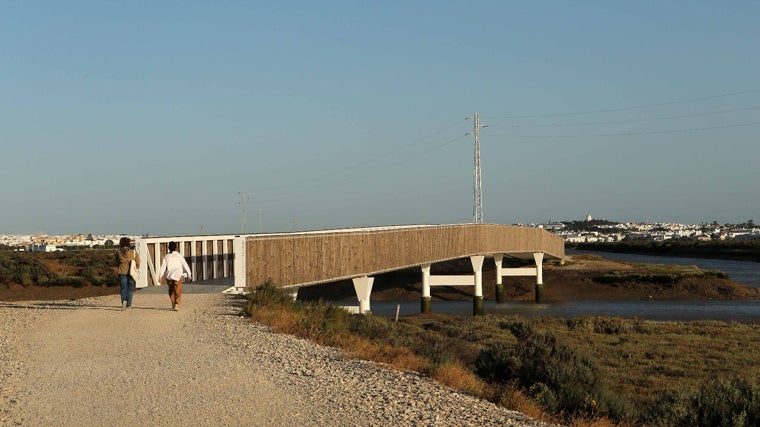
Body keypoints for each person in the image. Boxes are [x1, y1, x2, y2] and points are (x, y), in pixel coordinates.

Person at [158, 241, 192, 311]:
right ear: (176, 247)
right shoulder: (179, 256)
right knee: (177, 290)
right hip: (178, 275)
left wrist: (160, 276)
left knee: (171, 291)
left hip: (169, 276)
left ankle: (174, 303)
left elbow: (163, 267)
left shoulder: (166, 257)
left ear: (168, 248)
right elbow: (185, 265)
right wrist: (189, 274)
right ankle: (176, 303)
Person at [114, 237, 140, 310]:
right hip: (131, 272)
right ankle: (129, 305)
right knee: (130, 289)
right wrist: (136, 267)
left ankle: (124, 301)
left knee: (123, 288)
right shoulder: (133, 251)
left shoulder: (118, 252)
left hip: (122, 271)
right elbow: (138, 261)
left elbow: (116, 262)